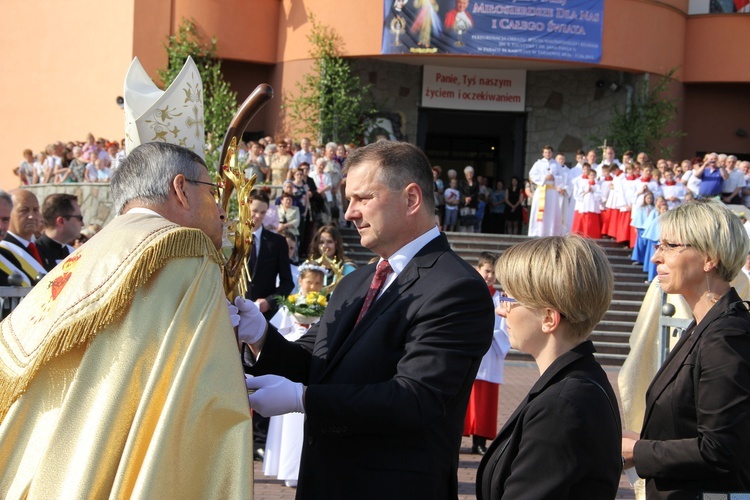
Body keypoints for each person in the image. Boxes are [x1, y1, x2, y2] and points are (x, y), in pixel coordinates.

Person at [0, 142, 257, 498]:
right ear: (181, 189)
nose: (222, 210)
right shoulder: (187, 252)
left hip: (45, 469)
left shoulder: (86, 254)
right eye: (213, 192)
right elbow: (202, 402)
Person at [243, 140, 495, 499]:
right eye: (349, 200)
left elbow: (414, 399)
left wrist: (304, 399)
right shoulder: (355, 282)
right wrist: (259, 336)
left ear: (411, 199)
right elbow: (314, 363)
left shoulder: (456, 287)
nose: (349, 213)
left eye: (363, 198)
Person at [477, 235, 622, 499]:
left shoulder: (563, 404)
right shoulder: (576, 380)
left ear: (548, 318)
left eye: (509, 298)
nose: (501, 310)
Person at [622, 200, 750, 499]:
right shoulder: (704, 326)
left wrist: (639, 451)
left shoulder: (727, 336)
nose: (656, 257)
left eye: (669, 245)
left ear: (709, 258)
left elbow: (720, 449)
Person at [265, 262, 328, 488]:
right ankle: (288, 467)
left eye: (317, 283)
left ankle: (304, 467)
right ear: (300, 281)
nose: (313, 287)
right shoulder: (289, 305)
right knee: (288, 419)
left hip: (312, 360)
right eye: (309, 282)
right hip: (292, 354)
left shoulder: (326, 306)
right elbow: (278, 334)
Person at [464, 252, 510, 456]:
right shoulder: (468, 292)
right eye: (487, 271)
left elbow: (506, 327)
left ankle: (479, 442)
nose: (490, 275)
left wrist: (489, 333)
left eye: (493, 272)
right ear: (478, 270)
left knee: (484, 402)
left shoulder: (502, 298)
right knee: (464, 398)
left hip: (491, 354)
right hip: (470, 351)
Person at [1, 189, 46, 284]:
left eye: (36, 210)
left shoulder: (45, 248)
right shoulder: (6, 250)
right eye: (24, 210)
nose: (31, 216)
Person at [35, 193, 83, 272]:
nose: (82, 224)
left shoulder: (73, 253)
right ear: (61, 221)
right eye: (79, 218)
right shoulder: (35, 254)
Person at [527, 145, 563, 237]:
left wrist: (554, 177)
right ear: (543, 153)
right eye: (546, 152)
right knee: (540, 211)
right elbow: (532, 175)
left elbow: (562, 176)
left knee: (551, 211)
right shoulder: (538, 163)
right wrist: (544, 178)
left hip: (552, 191)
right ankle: (538, 232)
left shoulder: (556, 164)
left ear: (552, 153)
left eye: (549, 152)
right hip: (541, 190)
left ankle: (551, 232)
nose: (548, 154)